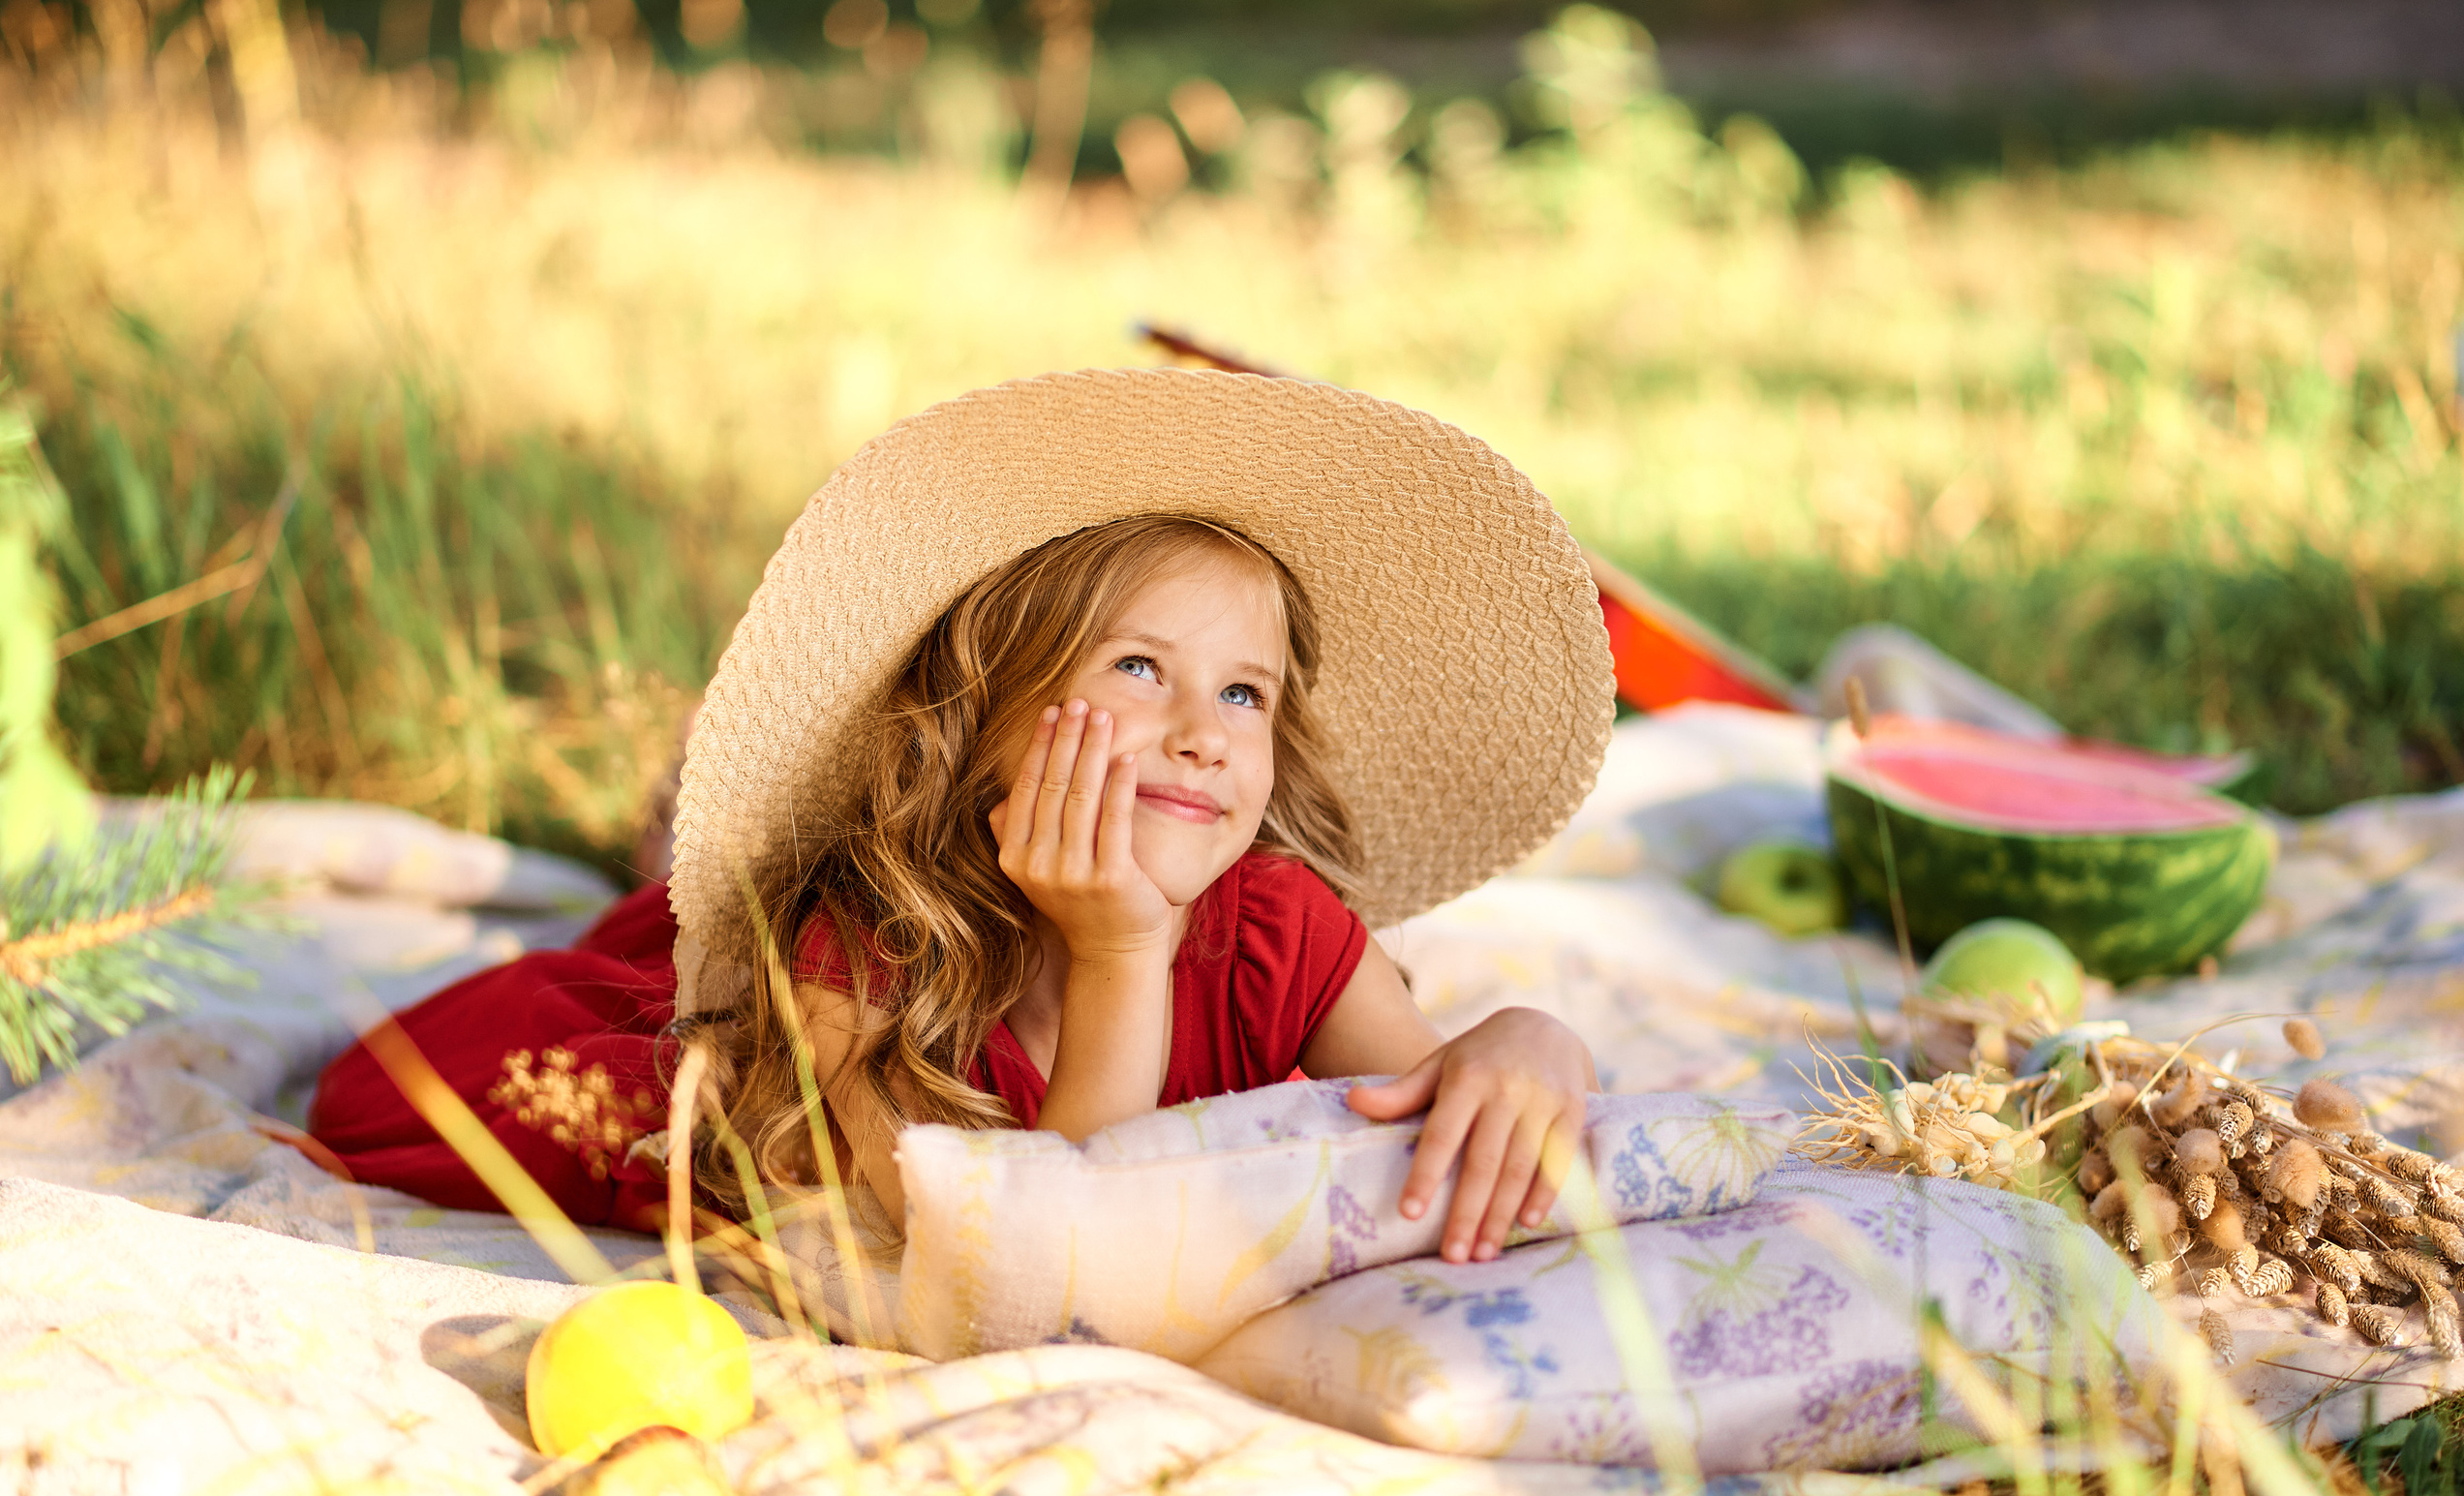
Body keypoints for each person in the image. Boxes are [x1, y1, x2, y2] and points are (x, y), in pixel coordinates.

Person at [309, 368, 1616, 1271]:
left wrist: (1529, 1040)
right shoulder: (864, 954)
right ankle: (682, 820)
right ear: (981, 719)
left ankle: (671, 820)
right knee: (657, 941)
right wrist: (1115, 953)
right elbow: (1048, 1259)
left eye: (1245, 692)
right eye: (1139, 669)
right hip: (767, 1002)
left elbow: (1434, 1094)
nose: (1205, 731)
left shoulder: (1280, 925)